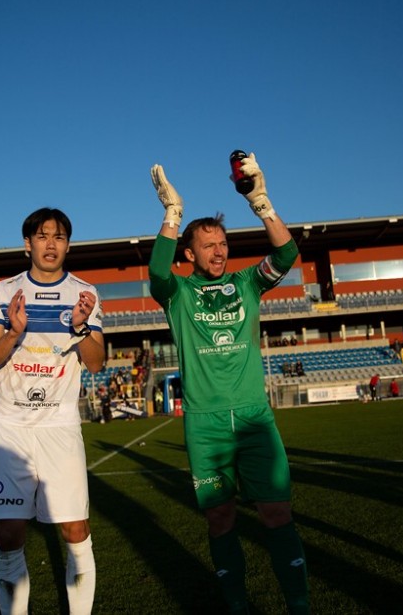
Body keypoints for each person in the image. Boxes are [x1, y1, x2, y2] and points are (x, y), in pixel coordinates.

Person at [148, 153, 309, 614]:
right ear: (189, 254)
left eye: (222, 244)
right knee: (220, 518)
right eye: (208, 246)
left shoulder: (247, 283)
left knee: (277, 512)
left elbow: (286, 255)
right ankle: (236, 604)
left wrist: (261, 202)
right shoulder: (177, 294)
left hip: (255, 419)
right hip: (206, 423)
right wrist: (172, 215)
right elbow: (157, 272)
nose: (219, 252)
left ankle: (299, 605)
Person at [0, 207, 106, 615]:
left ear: (68, 245)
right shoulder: (3, 293)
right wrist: (15, 332)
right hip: (12, 426)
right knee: (9, 533)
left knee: (75, 529)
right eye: (42, 236)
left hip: (59, 425)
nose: (51, 244)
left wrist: (81, 328)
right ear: (27, 243)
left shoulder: (84, 293)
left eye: (59, 237)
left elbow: (96, 363)